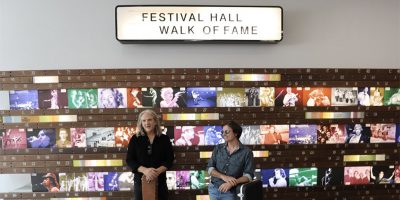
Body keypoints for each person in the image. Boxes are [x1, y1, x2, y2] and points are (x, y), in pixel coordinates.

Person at [126, 109, 174, 200]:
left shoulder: (164, 139)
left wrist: (156, 172)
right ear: (141, 123)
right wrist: (145, 171)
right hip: (140, 182)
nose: (147, 123)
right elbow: (129, 160)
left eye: (149, 120)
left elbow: (169, 159)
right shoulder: (135, 138)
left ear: (155, 121)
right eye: (144, 120)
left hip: (160, 182)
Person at [207, 121, 254, 200]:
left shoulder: (247, 152)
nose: (224, 134)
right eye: (222, 132)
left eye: (227, 131)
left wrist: (231, 183)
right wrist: (223, 177)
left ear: (236, 133)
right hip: (213, 189)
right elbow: (210, 168)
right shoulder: (218, 148)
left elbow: (248, 176)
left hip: (231, 192)